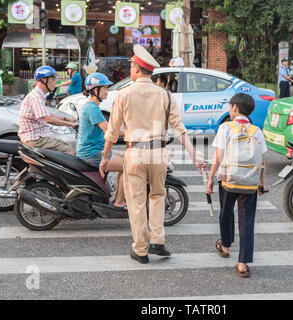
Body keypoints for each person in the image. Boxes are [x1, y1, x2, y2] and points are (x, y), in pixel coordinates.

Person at [99, 44, 206, 264]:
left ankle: (141, 249)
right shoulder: (165, 95)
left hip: (135, 153)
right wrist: (195, 156)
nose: (130, 68)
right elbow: (179, 129)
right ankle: (158, 240)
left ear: (137, 69)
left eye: (131, 65)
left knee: (137, 202)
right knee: (157, 196)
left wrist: (105, 157)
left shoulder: (124, 94)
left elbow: (111, 132)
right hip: (158, 153)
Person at [206, 93, 267, 278]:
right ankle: (243, 263)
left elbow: (218, 157)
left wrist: (210, 179)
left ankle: (225, 246)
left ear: (235, 108)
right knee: (247, 220)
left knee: (226, 212)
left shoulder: (226, 128)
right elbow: (263, 160)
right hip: (249, 181)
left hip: (228, 179)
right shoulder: (256, 131)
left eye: (230, 106)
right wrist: (261, 182)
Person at [76, 72, 126, 209]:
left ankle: (117, 196)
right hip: (92, 154)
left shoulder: (91, 106)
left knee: (124, 160)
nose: (107, 91)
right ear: (95, 90)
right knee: (128, 165)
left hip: (92, 151)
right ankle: (119, 202)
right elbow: (109, 131)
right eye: (104, 88)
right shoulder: (93, 109)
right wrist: (129, 133)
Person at [18, 66, 77, 155]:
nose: (55, 82)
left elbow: (47, 114)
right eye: (53, 79)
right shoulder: (36, 97)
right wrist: (72, 124)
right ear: (43, 81)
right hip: (36, 139)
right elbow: (48, 119)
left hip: (41, 136)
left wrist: (67, 119)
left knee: (66, 144)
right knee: (68, 151)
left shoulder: (40, 95)